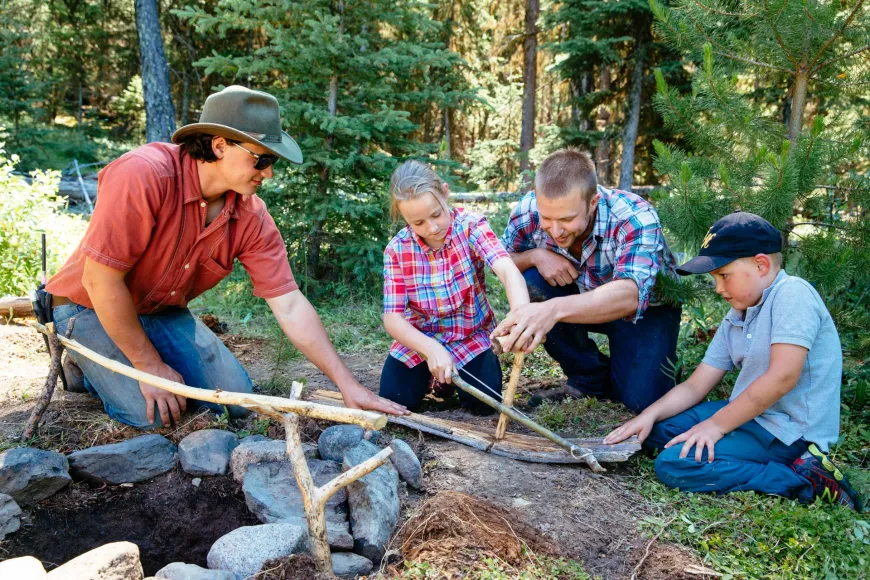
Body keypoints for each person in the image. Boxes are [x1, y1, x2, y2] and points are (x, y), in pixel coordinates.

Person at [46, 85, 408, 429]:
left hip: (157, 312)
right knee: (152, 414)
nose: (268, 172)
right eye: (261, 159)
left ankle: (132, 355)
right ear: (220, 146)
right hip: (87, 305)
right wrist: (148, 364)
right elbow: (100, 281)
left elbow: (290, 306)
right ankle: (81, 364)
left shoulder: (251, 215)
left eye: (273, 162)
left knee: (236, 401)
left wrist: (348, 384)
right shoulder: (144, 175)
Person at [605, 211, 864, 511]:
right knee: (655, 434)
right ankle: (732, 444)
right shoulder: (738, 315)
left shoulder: (793, 295)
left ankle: (805, 480)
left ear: (761, 264)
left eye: (723, 276)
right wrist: (647, 415)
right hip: (751, 415)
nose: (718, 288)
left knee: (674, 464)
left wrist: (716, 426)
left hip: (789, 431)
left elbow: (782, 377)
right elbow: (696, 385)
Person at [493, 149, 681, 412]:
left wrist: (552, 310)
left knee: (640, 401)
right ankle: (588, 376)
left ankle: (651, 360)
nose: (556, 231)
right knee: (533, 279)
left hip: (645, 311)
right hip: (580, 300)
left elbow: (630, 295)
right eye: (547, 219)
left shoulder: (633, 216)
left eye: (567, 219)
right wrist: (534, 256)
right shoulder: (528, 210)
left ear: (592, 202)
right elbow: (501, 260)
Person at [379, 160, 530, 413]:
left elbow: (506, 269)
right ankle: (434, 377)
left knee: (484, 404)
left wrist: (521, 314)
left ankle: (449, 380)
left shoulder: (470, 226)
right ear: (403, 218)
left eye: (437, 214)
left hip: (469, 336)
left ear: (445, 193)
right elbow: (393, 319)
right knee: (396, 400)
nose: (433, 228)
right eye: (418, 223)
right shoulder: (397, 250)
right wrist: (431, 349)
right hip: (420, 340)